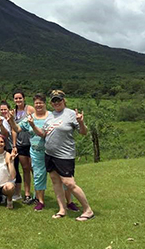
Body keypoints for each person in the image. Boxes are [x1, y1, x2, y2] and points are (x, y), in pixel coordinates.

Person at [28, 90, 94, 221]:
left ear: (64, 100)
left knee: (69, 183)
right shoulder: (50, 116)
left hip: (64, 155)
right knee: (55, 181)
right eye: (54, 101)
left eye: (59, 100)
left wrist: (81, 121)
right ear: (51, 103)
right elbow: (43, 134)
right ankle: (62, 209)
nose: (56, 103)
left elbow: (83, 132)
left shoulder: (70, 114)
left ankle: (88, 210)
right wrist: (33, 125)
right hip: (49, 154)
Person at [8, 94, 49, 211]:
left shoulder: (51, 116)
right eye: (36, 103)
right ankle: (40, 200)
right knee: (38, 175)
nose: (38, 105)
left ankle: (67, 201)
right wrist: (11, 120)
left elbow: (43, 133)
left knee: (58, 177)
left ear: (45, 103)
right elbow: (17, 129)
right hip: (36, 151)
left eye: (41, 102)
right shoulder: (30, 117)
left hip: (52, 151)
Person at [11, 90, 35, 204]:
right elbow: (13, 129)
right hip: (21, 144)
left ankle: (38, 193)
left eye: (20, 98)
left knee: (34, 169)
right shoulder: (13, 112)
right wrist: (14, 144)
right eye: (16, 98)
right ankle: (27, 194)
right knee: (25, 169)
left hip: (32, 142)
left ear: (24, 98)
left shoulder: (29, 109)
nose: (18, 100)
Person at [0, 101, 22, 201]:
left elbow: (13, 131)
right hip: (1, 148)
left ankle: (17, 193)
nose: (3, 111)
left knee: (14, 168)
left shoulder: (11, 119)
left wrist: (14, 145)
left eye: (5, 109)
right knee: (4, 170)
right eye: (1, 110)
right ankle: (5, 192)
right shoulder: (0, 119)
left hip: (10, 147)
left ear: (9, 109)